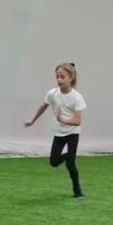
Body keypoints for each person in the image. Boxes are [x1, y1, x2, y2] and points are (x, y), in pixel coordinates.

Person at [25, 62, 86, 198]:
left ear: (71, 78)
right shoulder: (52, 94)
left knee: (71, 164)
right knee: (53, 162)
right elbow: (43, 106)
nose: (59, 80)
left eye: (62, 77)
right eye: (57, 77)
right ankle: (67, 156)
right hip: (59, 133)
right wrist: (32, 120)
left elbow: (78, 121)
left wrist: (64, 120)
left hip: (72, 133)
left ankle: (77, 189)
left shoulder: (77, 97)